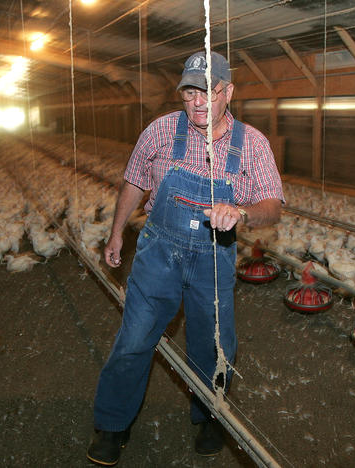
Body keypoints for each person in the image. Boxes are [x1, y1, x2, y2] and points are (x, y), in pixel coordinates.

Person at [86, 51, 284, 466]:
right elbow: (134, 182)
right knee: (135, 338)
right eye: (189, 92)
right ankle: (112, 426)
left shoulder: (252, 144)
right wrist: (116, 232)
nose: (197, 102)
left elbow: (272, 206)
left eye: (208, 93)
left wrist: (242, 212)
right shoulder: (160, 131)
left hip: (215, 255)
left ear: (228, 92)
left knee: (214, 346)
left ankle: (209, 418)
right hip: (159, 252)